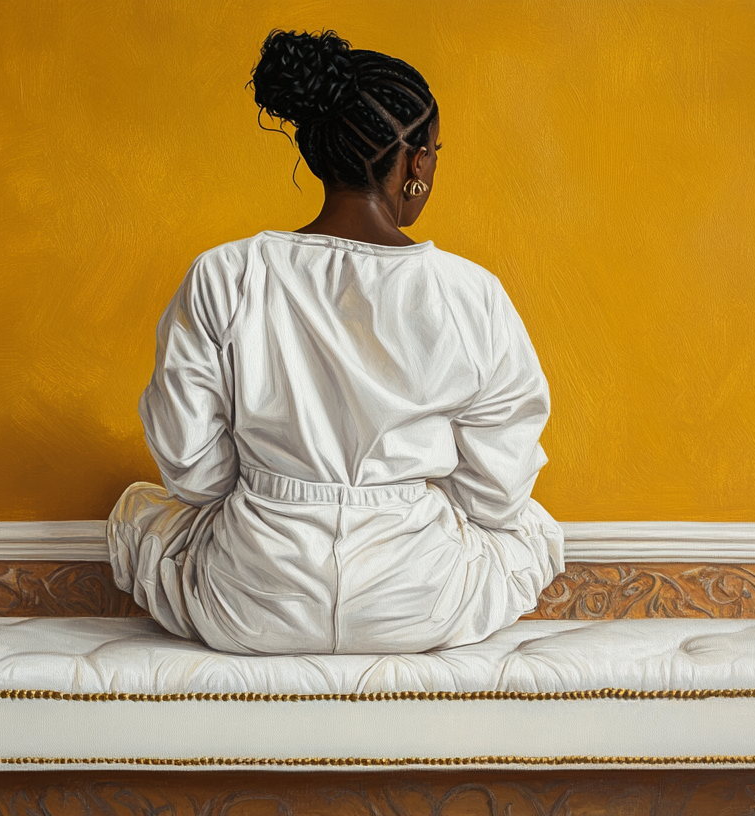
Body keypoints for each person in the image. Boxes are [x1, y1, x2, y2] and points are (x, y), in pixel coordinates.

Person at [108, 29, 564, 655]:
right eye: (434, 151)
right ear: (417, 163)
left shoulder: (225, 274)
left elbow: (192, 470)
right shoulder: (471, 292)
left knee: (138, 511)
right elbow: (497, 491)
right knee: (532, 527)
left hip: (251, 599)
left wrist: (276, 499)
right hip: (419, 600)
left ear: (321, 151)